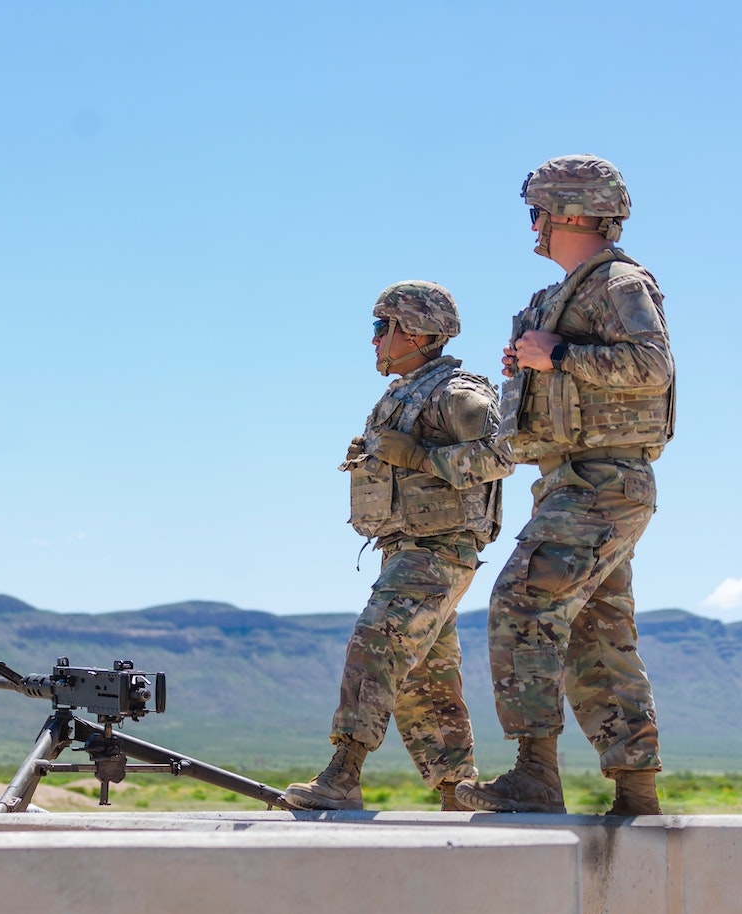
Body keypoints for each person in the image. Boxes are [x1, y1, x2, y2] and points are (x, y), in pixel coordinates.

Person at [456, 155, 675, 816]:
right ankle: (635, 793)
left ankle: (534, 774)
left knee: (524, 601)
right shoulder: (559, 296)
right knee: (597, 635)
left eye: (538, 213)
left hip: (601, 481)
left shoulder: (618, 282)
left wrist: (557, 357)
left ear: (564, 213)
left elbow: (652, 365)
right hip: (574, 481)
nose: (534, 227)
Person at [284, 281, 512, 811]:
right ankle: (457, 791)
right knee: (425, 679)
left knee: (376, 643)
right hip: (409, 549)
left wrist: (416, 457)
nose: (374, 341)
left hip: (436, 549)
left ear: (414, 331)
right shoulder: (403, 393)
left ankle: (344, 773)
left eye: (380, 327)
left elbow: (501, 456)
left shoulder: (459, 393)